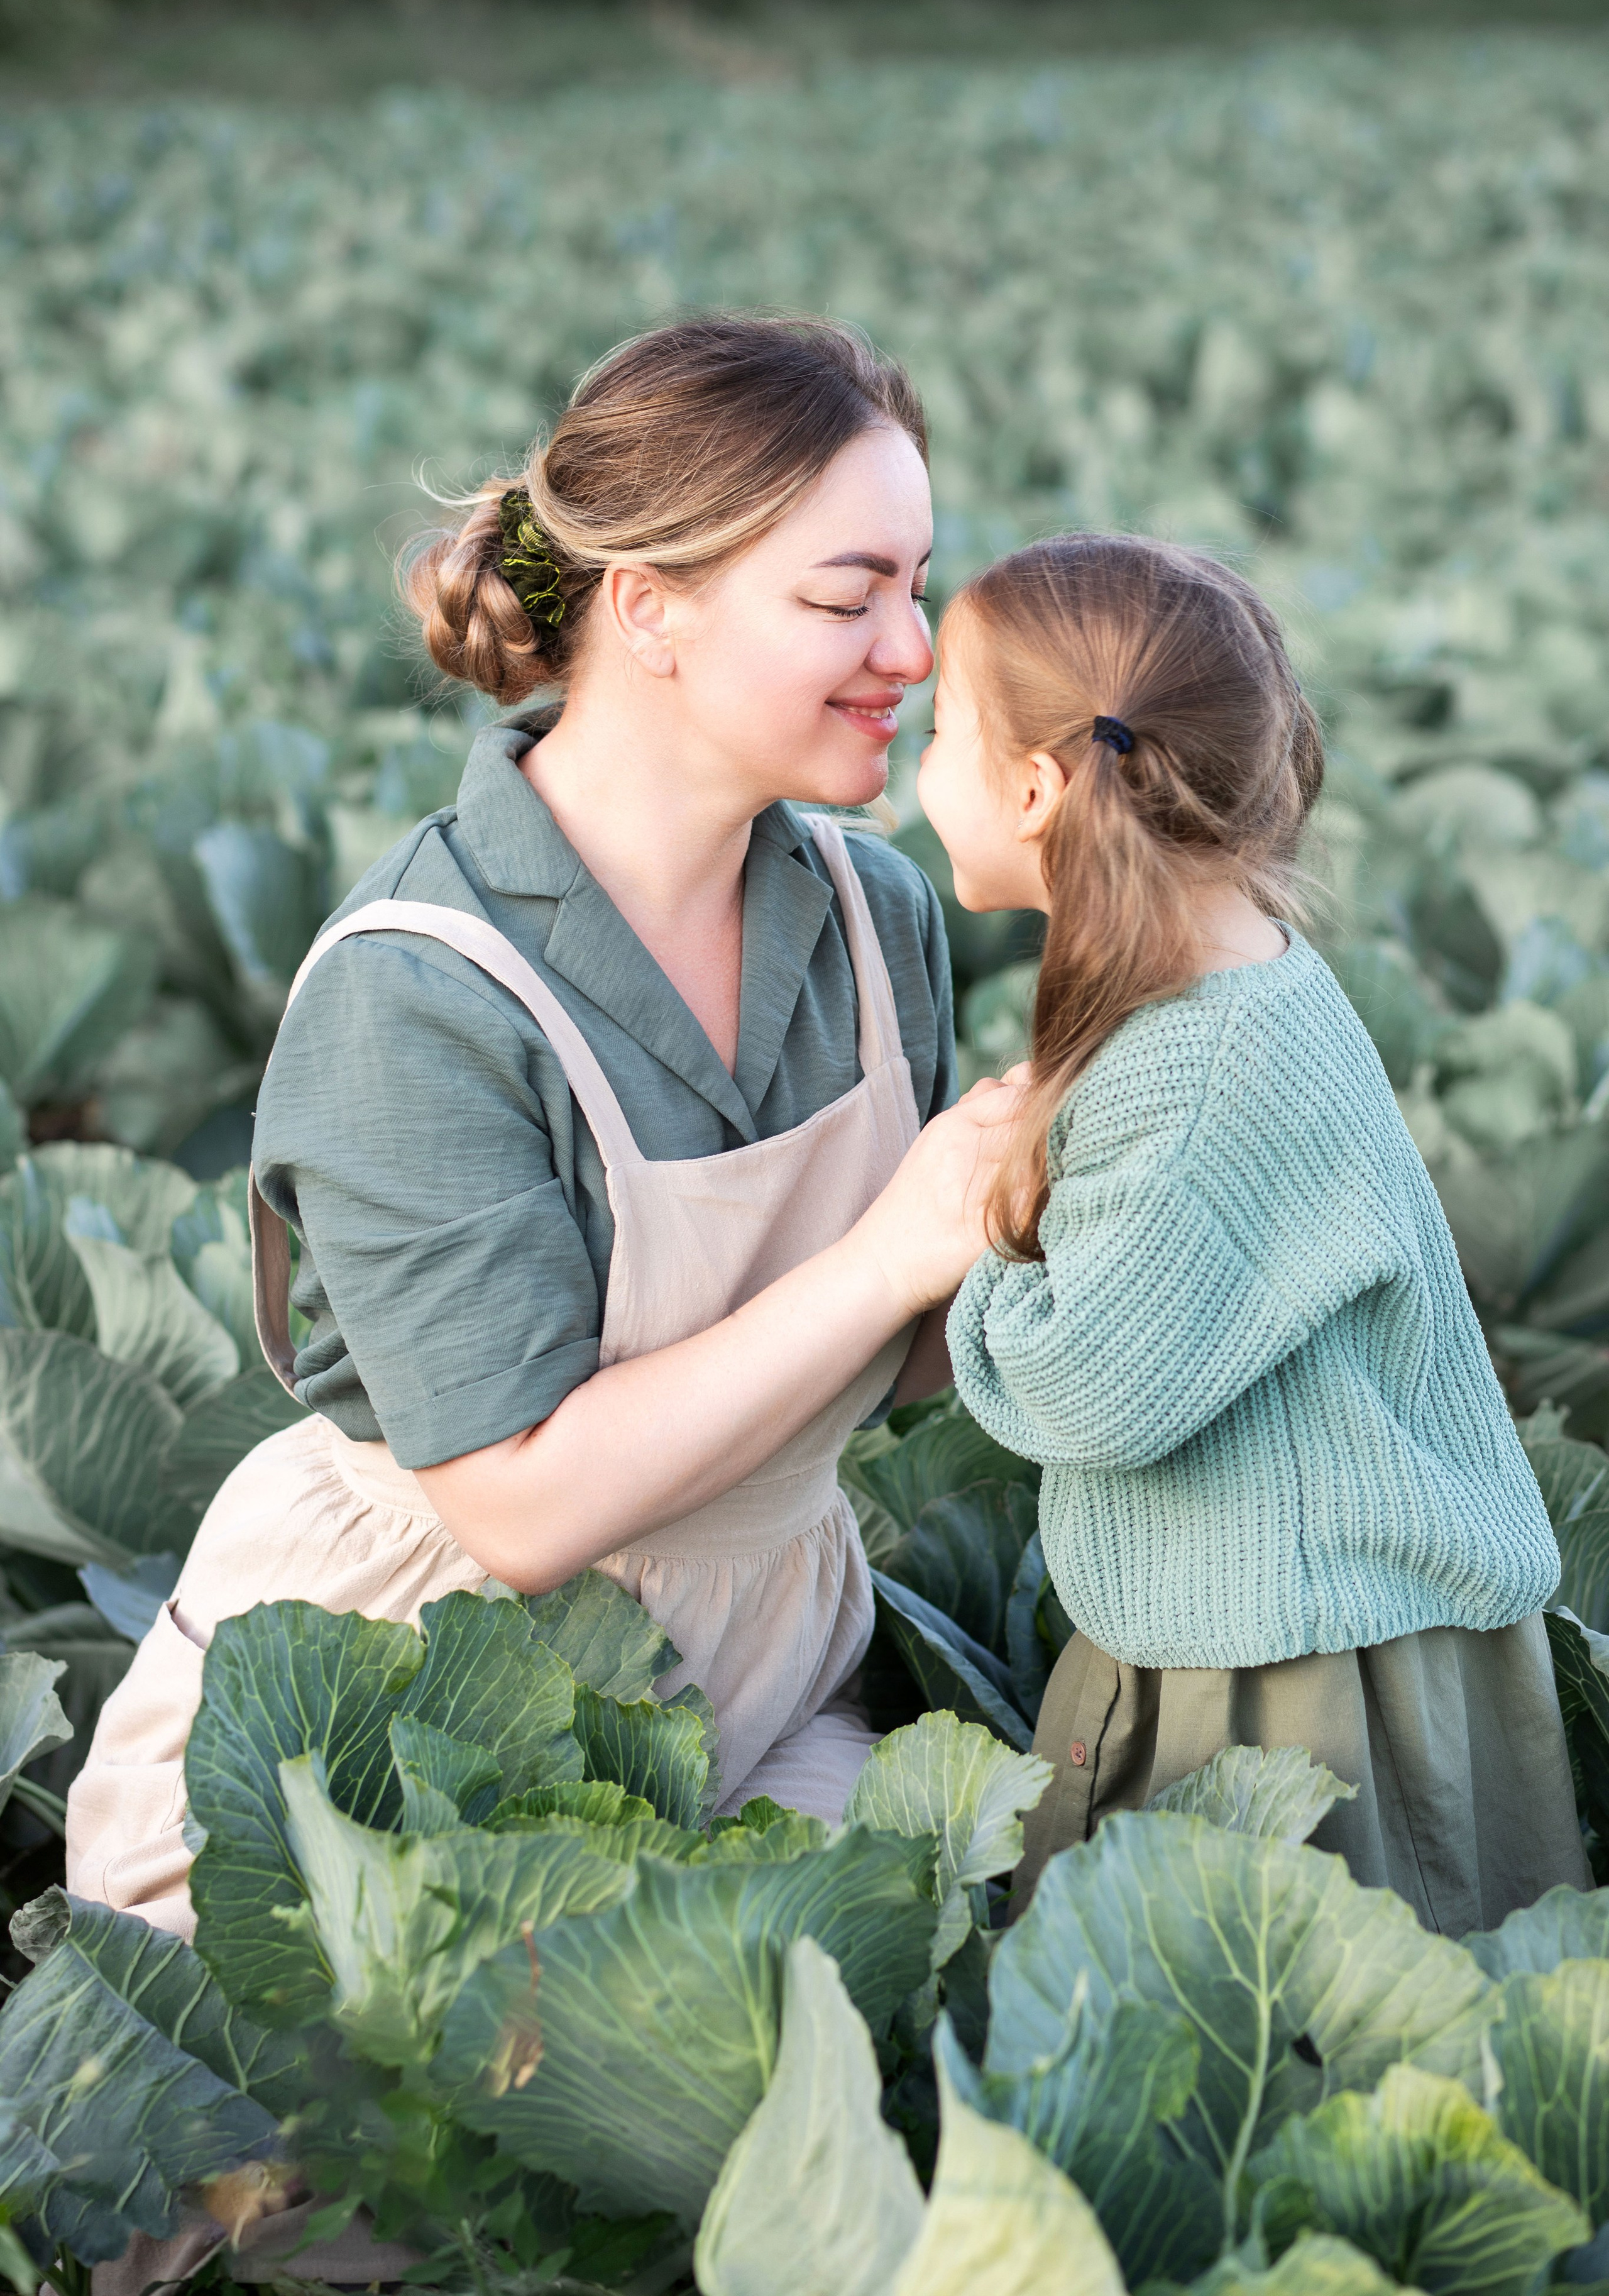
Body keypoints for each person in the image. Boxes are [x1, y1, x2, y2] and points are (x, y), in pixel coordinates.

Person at [67, 314, 1018, 1938]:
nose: (913, 651)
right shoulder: (415, 992)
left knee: (924, 1995)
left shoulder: (881, 922)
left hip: (761, 1678)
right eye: (847, 597)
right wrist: (899, 1249)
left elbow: (899, 1361)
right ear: (648, 609)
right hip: (382, 1749)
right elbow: (520, 1507)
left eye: (915, 588)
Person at [921, 530, 1590, 1938]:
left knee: (1268, 2011)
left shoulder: (1190, 1068)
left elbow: (1086, 1391)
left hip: (1279, 1683)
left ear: (1035, 789)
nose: (914, 771)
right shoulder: (1256, 980)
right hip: (1340, 1619)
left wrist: (975, 1236)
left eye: (937, 733)